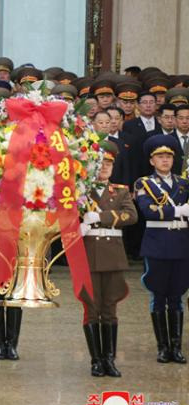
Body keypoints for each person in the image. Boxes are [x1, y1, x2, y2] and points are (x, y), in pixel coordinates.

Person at [79, 141, 137, 377]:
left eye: (109, 163)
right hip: (89, 255)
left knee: (110, 308)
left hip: (113, 255)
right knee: (92, 308)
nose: (104, 167)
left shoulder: (121, 190)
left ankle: (110, 359)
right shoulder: (80, 191)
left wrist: (100, 216)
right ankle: (96, 360)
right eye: (101, 162)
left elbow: (131, 216)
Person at [135, 134, 188, 364]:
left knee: (177, 296)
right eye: (160, 157)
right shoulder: (143, 183)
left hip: (182, 244)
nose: (165, 160)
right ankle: (162, 347)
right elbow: (148, 210)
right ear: (152, 161)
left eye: (168, 156)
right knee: (158, 295)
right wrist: (178, 211)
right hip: (157, 243)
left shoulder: (184, 183)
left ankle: (176, 347)